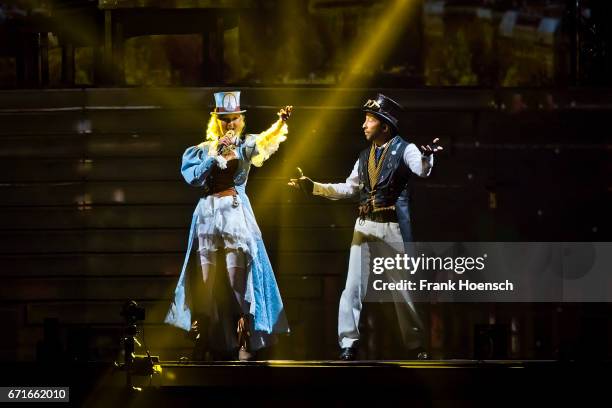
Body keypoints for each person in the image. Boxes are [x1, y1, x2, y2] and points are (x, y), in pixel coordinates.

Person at [289, 93, 442, 360]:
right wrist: (313, 187)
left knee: (402, 290)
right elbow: (350, 188)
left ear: (384, 125)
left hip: (392, 228)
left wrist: (428, 158)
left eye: (369, 120)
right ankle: (348, 343)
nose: (364, 124)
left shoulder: (406, 149)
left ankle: (415, 345)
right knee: (353, 287)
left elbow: (422, 170)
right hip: (364, 226)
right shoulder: (364, 156)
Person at [166, 91, 292, 361]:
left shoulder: (246, 145)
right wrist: (214, 156)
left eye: (234, 119)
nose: (230, 124)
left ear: (240, 120)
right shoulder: (203, 149)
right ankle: (202, 341)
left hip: (234, 216)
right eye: (225, 119)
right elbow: (195, 179)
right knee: (205, 283)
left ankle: (245, 339)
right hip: (208, 217)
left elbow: (266, 142)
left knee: (239, 283)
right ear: (216, 121)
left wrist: (280, 123)